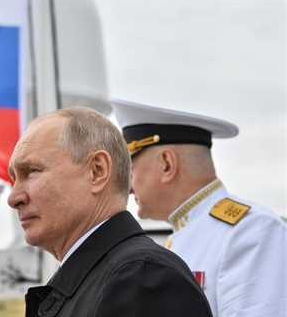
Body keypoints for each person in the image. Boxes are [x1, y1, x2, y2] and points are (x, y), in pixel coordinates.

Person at [7, 107, 213, 317]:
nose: (13, 198)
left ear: (97, 171)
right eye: (14, 179)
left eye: (32, 171)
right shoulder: (113, 278)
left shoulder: (140, 279)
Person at [112, 100, 287, 317]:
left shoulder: (252, 231)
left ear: (167, 164)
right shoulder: (185, 234)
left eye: (131, 168)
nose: (128, 187)